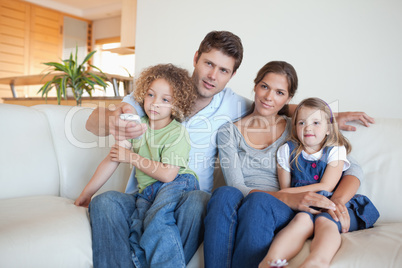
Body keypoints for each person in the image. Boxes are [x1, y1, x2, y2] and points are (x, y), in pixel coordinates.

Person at [84, 31, 375, 265]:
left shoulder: (234, 104)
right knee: (104, 202)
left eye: (223, 70)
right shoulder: (161, 93)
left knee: (201, 201)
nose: (213, 75)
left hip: (189, 196)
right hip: (142, 192)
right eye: (208, 63)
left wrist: (327, 115)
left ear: (232, 75)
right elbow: (91, 123)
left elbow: (274, 106)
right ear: (196, 58)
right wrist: (116, 118)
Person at [203, 61, 373, 268]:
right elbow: (237, 186)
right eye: (264, 87)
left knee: (259, 202)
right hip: (257, 197)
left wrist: (335, 201)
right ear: (255, 86)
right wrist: (284, 195)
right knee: (223, 194)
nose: (268, 97)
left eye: (279, 92)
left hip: (282, 208)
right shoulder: (228, 132)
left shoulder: (299, 127)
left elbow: (351, 167)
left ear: (288, 98)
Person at [75, 64, 200, 267]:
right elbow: (113, 158)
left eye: (165, 100)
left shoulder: (177, 132)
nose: (154, 104)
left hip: (178, 183)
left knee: (158, 222)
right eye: (151, 95)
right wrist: (87, 193)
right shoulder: (136, 125)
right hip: (148, 192)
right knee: (136, 227)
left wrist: (131, 157)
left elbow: (168, 174)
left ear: (177, 105)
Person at [258, 97, 379, 268]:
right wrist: (284, 195)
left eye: (316, 122)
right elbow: (284, 189)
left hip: (332, 205)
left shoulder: (335, 150)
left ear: (329, 128)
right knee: (300, 220)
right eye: (301, 123)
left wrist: (283, 195)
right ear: (295, 127)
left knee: (325, 220)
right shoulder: (287, 150)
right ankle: (271, 261)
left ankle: (316, 262)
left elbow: (326, 187)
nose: (307, 127)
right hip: (304, 206)